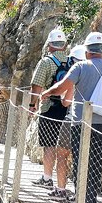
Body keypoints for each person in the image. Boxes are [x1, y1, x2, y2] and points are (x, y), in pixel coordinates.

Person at [42, 32, 102, 203]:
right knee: (95, 165)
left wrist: (46, 93)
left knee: (81, 165)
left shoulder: (81, 66)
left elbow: (62, 87)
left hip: (81, 123)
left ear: (87, 51)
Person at [29, 29, 70, 190]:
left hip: (49, 107)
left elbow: (36, 85)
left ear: (49, 45)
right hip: (66, 109)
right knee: (63, 148)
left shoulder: (46, 62)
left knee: (49, 144)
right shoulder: (71, 62)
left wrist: (33, 104)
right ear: (64, 45)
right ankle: (62, 184)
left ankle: (47, 178)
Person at [49, 44, 86, 200]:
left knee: (62, 153)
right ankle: (82, 194)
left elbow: (65, 102)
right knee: (83, 159)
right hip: (93, 122)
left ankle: (61, 189)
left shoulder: (77, 74)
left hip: (73, 119)